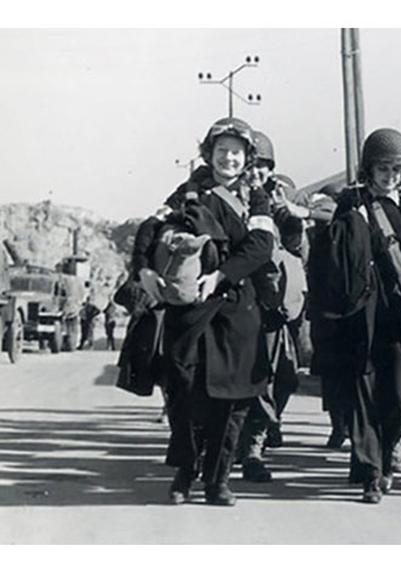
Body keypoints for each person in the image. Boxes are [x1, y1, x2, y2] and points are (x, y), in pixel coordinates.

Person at [154, 116, 274, 506]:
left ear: (247, 157)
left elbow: (260, 246)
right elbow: (152, 230)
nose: (229, 159)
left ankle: (218, 480)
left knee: (233, 399)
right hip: (191, 310)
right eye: (222, 151)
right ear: (209, 154)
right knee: (185, 393)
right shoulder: (188, 193)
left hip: (237, 308)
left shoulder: (257, 198)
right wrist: (146, 265)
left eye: (236, 152)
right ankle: (185, 473)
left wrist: (220, 274)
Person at [326, 128, 401, 503]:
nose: (389, 175)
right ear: (368, 169)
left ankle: (386, 451)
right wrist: (353, 216)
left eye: (396, 169)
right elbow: (339, 251)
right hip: (362, 311)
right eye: (382, 168)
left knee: (398, 397)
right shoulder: (351, 203)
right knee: (363, 392)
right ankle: (371, 471)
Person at [234, 130, 308, 483]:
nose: (256, 174)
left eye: (262, 167)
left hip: (275, 307)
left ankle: (255, 441)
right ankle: (246, 447)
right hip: (238, 301)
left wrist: (291, 216)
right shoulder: (229, 199)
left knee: (283, 377)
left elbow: (299, 251)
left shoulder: (280, 203)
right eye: (251, 166)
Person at [306, 181, 350, 449]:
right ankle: (338, 427)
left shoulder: (346, 228)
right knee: (332, 377)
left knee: (339, 377)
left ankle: (343, 427)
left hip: (342, 312)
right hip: (324, 313)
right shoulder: (317, 235)